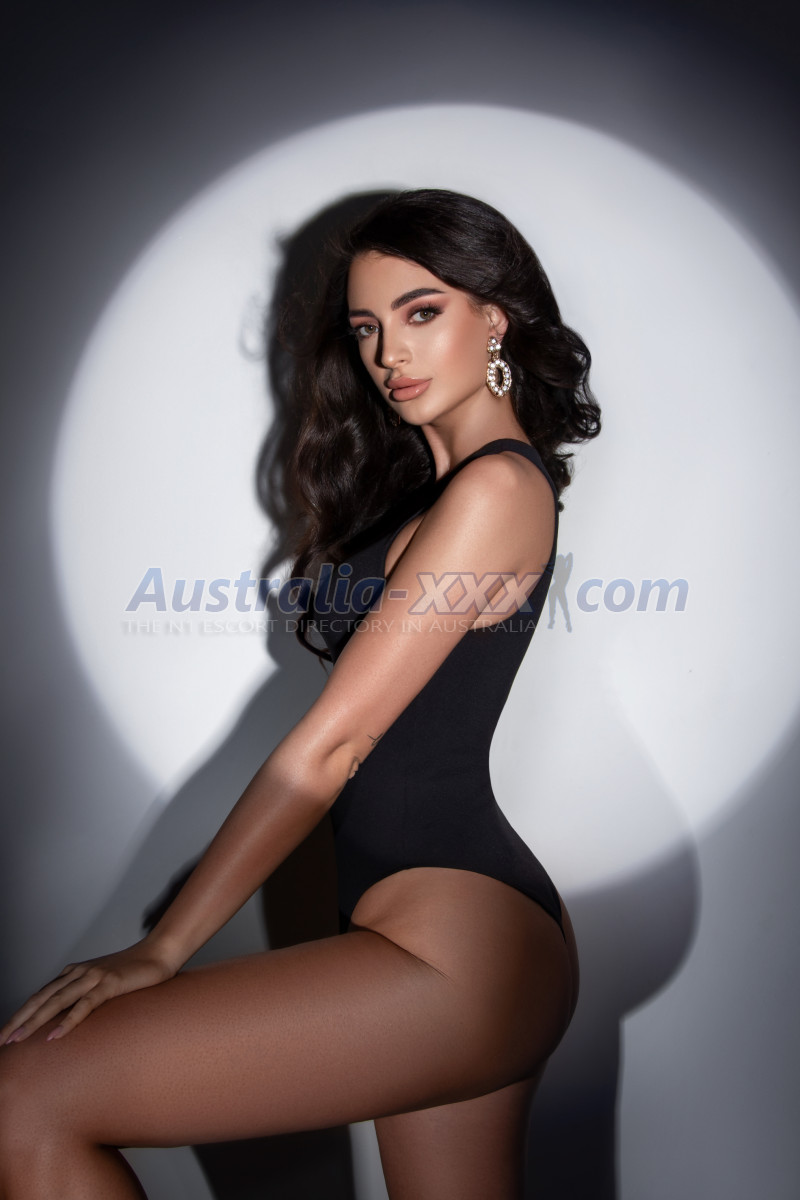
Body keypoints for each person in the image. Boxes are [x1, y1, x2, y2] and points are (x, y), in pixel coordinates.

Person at [0, 189, 600, 1198]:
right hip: (445, 933)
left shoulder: (497, 488)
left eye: (420, 312)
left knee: (26, 1095)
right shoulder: (441, 492)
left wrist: (164, 949)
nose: (388, 353)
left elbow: (333, 745)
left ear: (493, 318)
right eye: (366, 328)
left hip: (459, 949)